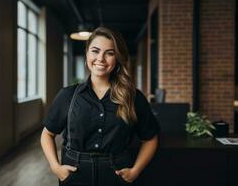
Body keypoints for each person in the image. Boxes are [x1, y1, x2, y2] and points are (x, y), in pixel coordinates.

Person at [41, 27, 160, 186]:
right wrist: (55, 167)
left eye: (109, 53)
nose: (101, 58)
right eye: (95, 51)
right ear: (87, 54)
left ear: (117, 58)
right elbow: (47, 134)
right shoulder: (67, 95)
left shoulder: (133, 97)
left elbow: (150, 138)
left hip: (117, 175)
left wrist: (135, 171)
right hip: (75, 174)